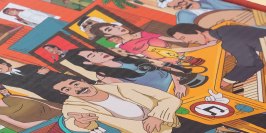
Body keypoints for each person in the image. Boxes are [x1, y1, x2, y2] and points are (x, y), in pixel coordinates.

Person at [44, 77, 185, 133]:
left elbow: (169, 98)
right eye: (68, 89)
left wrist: (157, 116)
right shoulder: (72, 106)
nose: (77, 88)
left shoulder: (118, 87)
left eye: (76, 83)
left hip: (177, 125)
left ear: (83, 81)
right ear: (64, 94)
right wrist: (81, 123)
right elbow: (71, 123)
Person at [162, 23, 266, 89]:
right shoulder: (223, 30)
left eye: (183, 37)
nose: (186, 41)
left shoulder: (227, 40)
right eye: (182, 40)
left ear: (197, 31)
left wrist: (226, 81)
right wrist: (235, 50)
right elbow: (244, 41)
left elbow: (251, 64)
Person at [62, 48, 207, 95]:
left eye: (95, 51)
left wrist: (179, 85)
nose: (100, 53)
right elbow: (133, 92)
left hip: (182, 83)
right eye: (92, 55)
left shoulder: (127, 58)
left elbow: (168, 67)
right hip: (169, 94)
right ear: (88, 63)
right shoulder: (104, 76)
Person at [156, 0, 243, 24]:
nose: (182, 6)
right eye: (177, 6)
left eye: (180, 2)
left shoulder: (211, 0)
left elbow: (240, 8)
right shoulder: (184, 14)